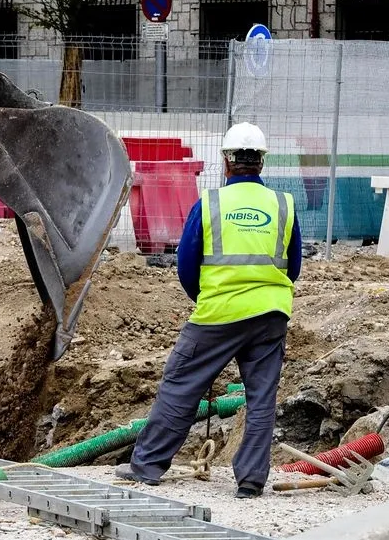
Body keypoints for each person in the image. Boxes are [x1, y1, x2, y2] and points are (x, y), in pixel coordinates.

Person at [115, 121, 302, 498]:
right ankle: (251, 480)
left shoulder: (211, 204)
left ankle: (148, 466)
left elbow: (185, 264)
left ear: (226, 162)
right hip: (271, 314)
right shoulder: (284, 205)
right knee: (261, 397)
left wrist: (209, 296)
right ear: (261, 163)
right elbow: (293, 265)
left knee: (180, 385)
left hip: (217, 314)